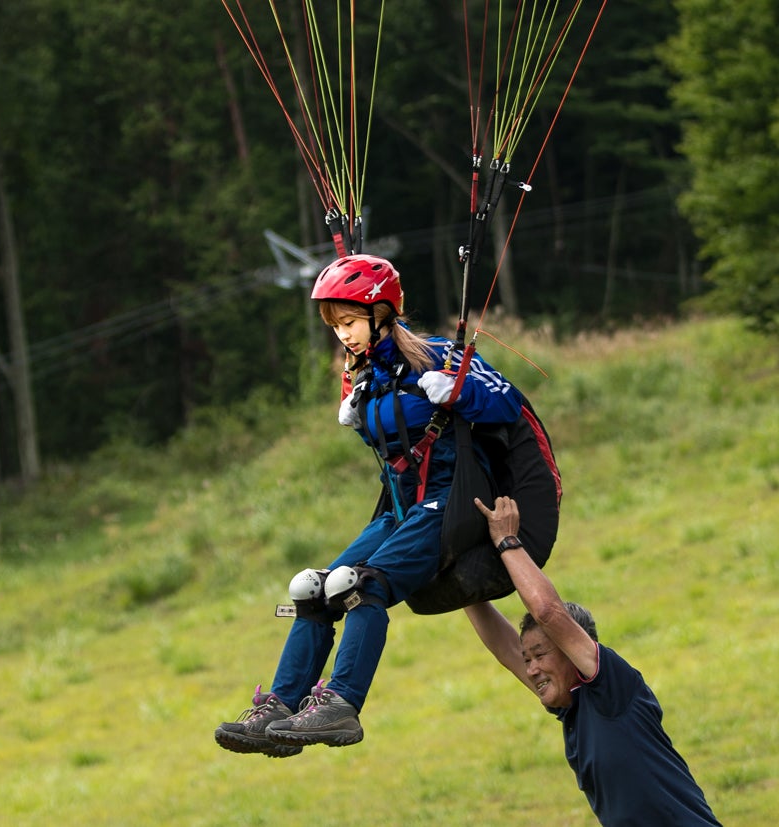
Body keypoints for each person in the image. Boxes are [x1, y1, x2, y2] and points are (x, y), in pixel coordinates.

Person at [215, 253, 526, 758]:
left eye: (351, 322)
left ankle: (340, 703)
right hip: (401, 509)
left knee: (359, 584)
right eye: (336, 326)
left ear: (383, 312)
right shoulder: (363, 375)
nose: (345, 335)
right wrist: (356, 404)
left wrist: (458, 392)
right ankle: (280, 705)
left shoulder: (439, 355)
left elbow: (508, 401)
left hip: (450, 501)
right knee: (313, 590)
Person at [466, 495, 721, 826]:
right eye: (528, 658)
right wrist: (457, 580)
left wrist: (506, 541)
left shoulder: (612, 687)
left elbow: (547, 612)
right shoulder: (572, 708)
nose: (531, 669)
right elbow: (505, 649)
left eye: (540, 655)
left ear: (573, 650)